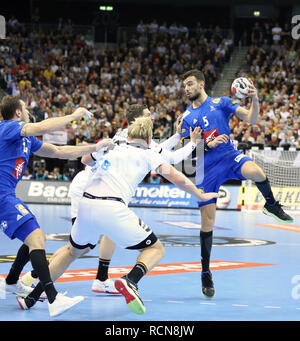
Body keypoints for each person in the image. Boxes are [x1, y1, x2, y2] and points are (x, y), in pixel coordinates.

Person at [17, 116, 219, 315]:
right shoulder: (149, 154)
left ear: (129, 134)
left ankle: (32, 297)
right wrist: (200, 195)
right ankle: (131, 280)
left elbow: (86, 160)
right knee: (155, 248)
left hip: (86, 203)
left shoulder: (113, 145)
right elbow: (177, 177)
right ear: (149, 139)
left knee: (72, 252)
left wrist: (99, 149)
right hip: (111, 206)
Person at [179, 69, 293, 298]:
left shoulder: (221, 103)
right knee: (207, 223)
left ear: (201, 84)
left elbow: (251, 119)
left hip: (229, 157)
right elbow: (185, 152)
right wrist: (207, 145)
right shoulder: (186, 118)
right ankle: (205, 272)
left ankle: (271, 204)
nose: (187, 88)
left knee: (258, 171)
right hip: (205, 169)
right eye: (185, 86)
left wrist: (255, 97)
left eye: (190, 84)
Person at [0, 95, 113, 317]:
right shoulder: (9, 127)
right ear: (17, 113)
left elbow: (58, 152)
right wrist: (74, 115)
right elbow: (41, 126)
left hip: (7, 194)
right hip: (2, 195)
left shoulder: (26, 139)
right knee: (37, 239)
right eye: (24, 107)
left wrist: (95, 147)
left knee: (34, 237)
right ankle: (53, 298)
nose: (28, 109)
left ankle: (12, 282)